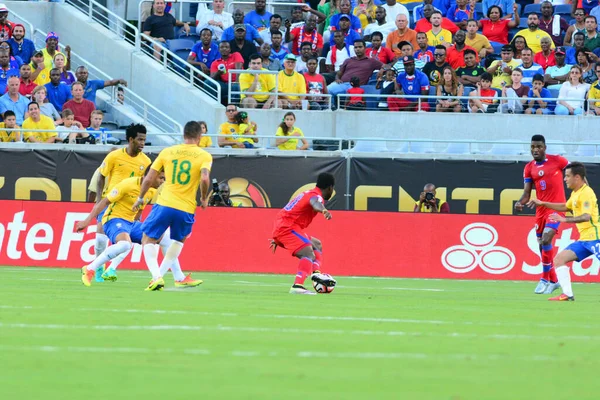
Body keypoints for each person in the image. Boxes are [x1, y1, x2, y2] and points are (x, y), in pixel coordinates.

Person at [133, 121, 212, 291]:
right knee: (179, 240)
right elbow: (205, 178)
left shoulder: (167, 152)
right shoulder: (204, 155)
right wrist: (204, 198)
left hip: (165, 202)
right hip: (186, 207)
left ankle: (157, 277)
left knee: (148, 239)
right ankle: (173, 277)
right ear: (200, 137)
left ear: (183, 135)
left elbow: (148, 178)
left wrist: (140, 198)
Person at [526, 162, 599, 301]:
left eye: (567, 176)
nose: (564, 179)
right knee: (559, 259)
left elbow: (586, 216)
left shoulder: (586, 193)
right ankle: (567, 294)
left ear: (577, 177)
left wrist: (564, 220)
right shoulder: (576, 193)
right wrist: (543, 203)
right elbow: (565, 206)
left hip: (596, 238)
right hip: (584, 240)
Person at [78, 171, 167, 285]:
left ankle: (166, 278)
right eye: (160, 178)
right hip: (113, 219)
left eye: (164, 179)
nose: (162, 182)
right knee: (125, 244)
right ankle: (90, 269)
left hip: (131, 223)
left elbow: (140, 209)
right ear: (150, 176)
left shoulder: (151, 191)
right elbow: (105, 201)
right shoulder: (127, 184)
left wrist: (139, 226)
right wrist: (87, 220)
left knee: (164, 238)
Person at [91, 124, 151, 282]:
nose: (143, 143)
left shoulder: (145, 161)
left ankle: (111, 268)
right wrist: (98, 198)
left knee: (127, 241)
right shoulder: (114, 156)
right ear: (130, 139)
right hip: (110, 201)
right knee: (100, 239)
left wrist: (140, 207)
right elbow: (101, 176)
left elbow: (144, 185)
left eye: (144, 140)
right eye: (140, 139)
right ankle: (98, 269)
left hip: (128, 205)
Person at [514, 135, 568, 294]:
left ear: (545, 147)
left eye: (538, 147)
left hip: (556, 207)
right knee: (542, 245)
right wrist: (520, 203)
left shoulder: (558, 161)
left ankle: (544, 278)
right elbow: (526, 193)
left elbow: (576, 171)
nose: (535, 150)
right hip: (540, 210)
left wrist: (584, 191)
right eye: (532, 147)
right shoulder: (529, 167)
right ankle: (554, 280)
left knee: (546, 238)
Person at [270, 172, 337, 295]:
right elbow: (315, 203)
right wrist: (323, 210)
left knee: (316, 244)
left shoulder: (307, 193)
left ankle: (316, 275)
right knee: (308, 252)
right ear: (330, 188)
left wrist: (278, 236)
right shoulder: (316, 196)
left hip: (286, 227)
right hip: (287, 228)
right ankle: (297, 285)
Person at [210, 41, 244, 105]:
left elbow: (238, 69)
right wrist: (218, 73)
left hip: (238, 83)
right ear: (219, 50)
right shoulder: (215, 63)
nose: (224, 49)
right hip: (225, 85)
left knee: (235, 86)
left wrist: (236, 82)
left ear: (230, 49)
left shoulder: (236, 55)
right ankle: (214, 104)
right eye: (222, 47)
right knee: (208, 82)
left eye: (226, 47)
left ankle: (233, 108)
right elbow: (212, 78)